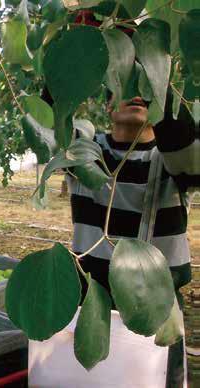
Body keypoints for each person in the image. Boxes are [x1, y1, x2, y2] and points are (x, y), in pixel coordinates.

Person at [56, 88, 198, 387]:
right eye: (126, 87)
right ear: (108, 105)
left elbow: (186, 148)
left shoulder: (173, 156)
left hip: (158, 311)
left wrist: (158, 79)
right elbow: (48, 123)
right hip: (92, 307)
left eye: (144, 90)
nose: (136, 95)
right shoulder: (84, 153)